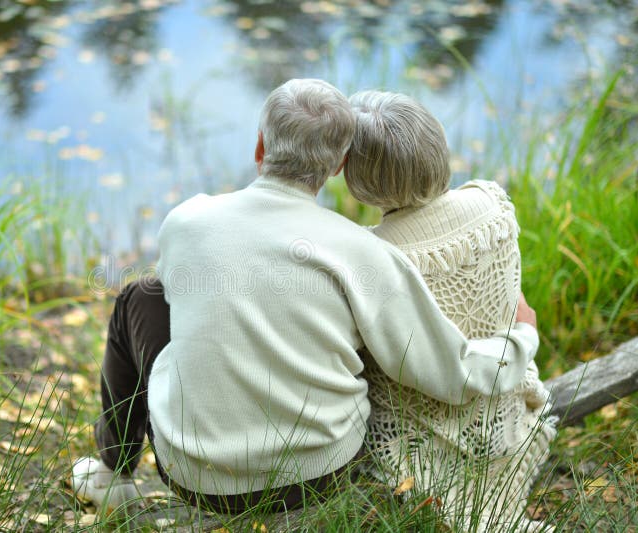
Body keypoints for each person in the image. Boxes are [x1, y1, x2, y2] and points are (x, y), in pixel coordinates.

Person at [71, 79, 540, 514]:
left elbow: (186, 302)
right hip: (321, 474)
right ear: (338, 166)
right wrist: (521, 337)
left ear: (260, 145)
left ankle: (114, 474)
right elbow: (451, 372)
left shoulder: (187, 220)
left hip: (197, 477)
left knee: (140, 297)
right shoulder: (362, 252)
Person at [344, 90, 557, 531]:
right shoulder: (491, 201)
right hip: (508, 418)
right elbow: (512, 303)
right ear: (436, 145)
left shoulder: (369, 255)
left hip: (421, 459)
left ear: (359, 178)